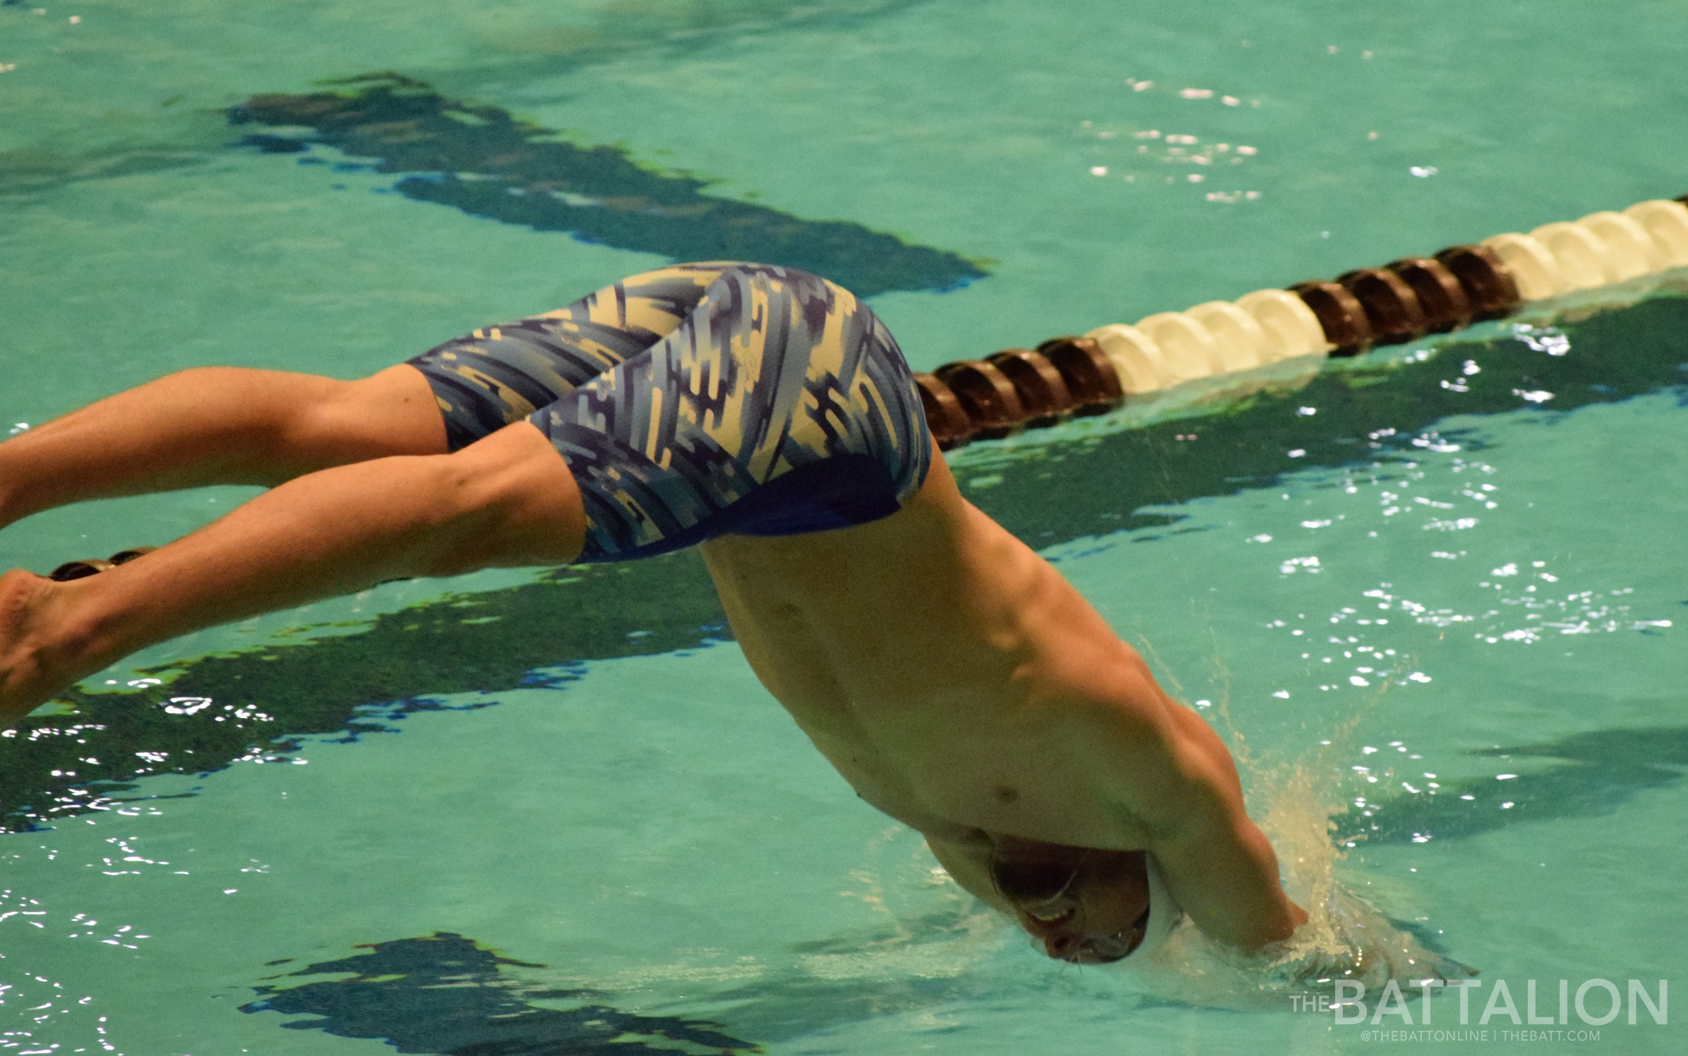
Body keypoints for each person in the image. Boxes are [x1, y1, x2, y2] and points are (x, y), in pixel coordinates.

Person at [0, 262, 1306, 963]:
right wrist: (1367, 981)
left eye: (1060, 951)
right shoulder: (1148, 773)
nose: (1057, 931)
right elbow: (1278, 927)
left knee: (335, 427)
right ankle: (68, 630)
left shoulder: (935, 809)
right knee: (467, 513)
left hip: (774, 360)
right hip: (824, 427)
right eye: (1107, 931)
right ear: (1153, 879)